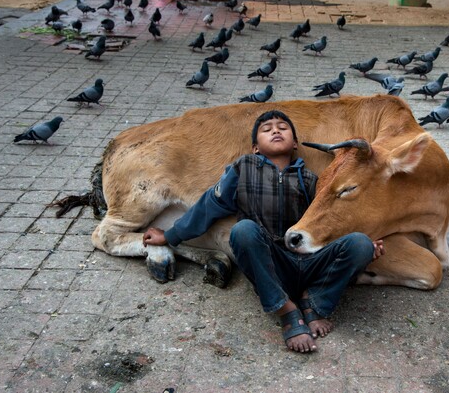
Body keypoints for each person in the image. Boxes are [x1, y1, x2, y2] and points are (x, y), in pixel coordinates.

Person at [143, 110, 384, 353]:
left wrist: (366, 247)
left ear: (295, 143)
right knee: (244, 230)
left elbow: (327, 221)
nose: (276, 130)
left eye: (283, 127)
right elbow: (208, 206)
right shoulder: (242, 168)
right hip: (271, 265)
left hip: (309, 261)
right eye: (267, 129)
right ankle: (286, 309)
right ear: (256, 147)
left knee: (360, 243)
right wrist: (170, 235)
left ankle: (314, 304)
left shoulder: (311, 179)